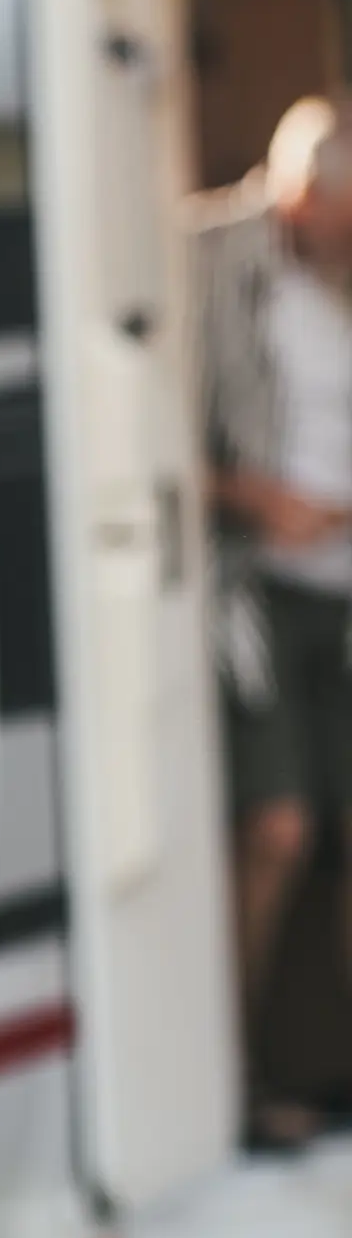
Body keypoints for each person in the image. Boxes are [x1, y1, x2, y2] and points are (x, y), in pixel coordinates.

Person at [201, 92, 352, 1149]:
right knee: (278, 827)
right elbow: (124, 431)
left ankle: (315, 1066)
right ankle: (222, 1070)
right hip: (255, 591)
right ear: (300, 194)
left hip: (345, 590)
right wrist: (257, 499)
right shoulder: (206, 259)